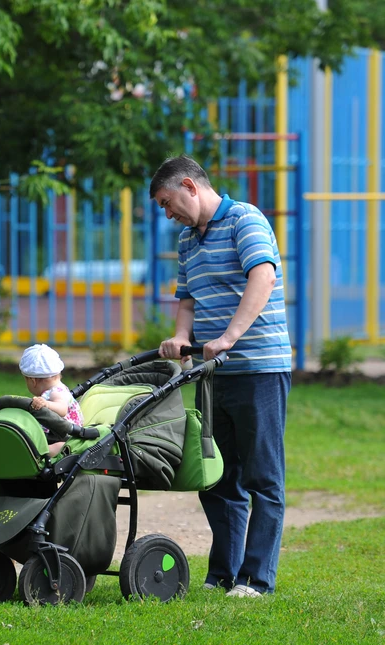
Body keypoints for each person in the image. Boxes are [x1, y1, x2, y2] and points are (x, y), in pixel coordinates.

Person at [151, 154, 292, 598]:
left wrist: (229, 336)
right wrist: (180, 337)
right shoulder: (188, 240)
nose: (166, 213)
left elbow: (263, 278)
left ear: (190, 187)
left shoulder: (245, 220)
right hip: (213, 374)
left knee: (262, 478)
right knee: (216, 477)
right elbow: (188, 300)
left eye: (167, 202)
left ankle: (256, 580)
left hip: (259, 369)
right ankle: (223, 575)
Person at [19, 343, 84, 457]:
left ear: (33, 381)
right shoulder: (53, 390)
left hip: (66, 435)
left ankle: (41, 453)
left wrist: (47, 404)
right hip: (55, 432)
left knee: (57, 447)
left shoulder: (56, 392)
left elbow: (62, 409)